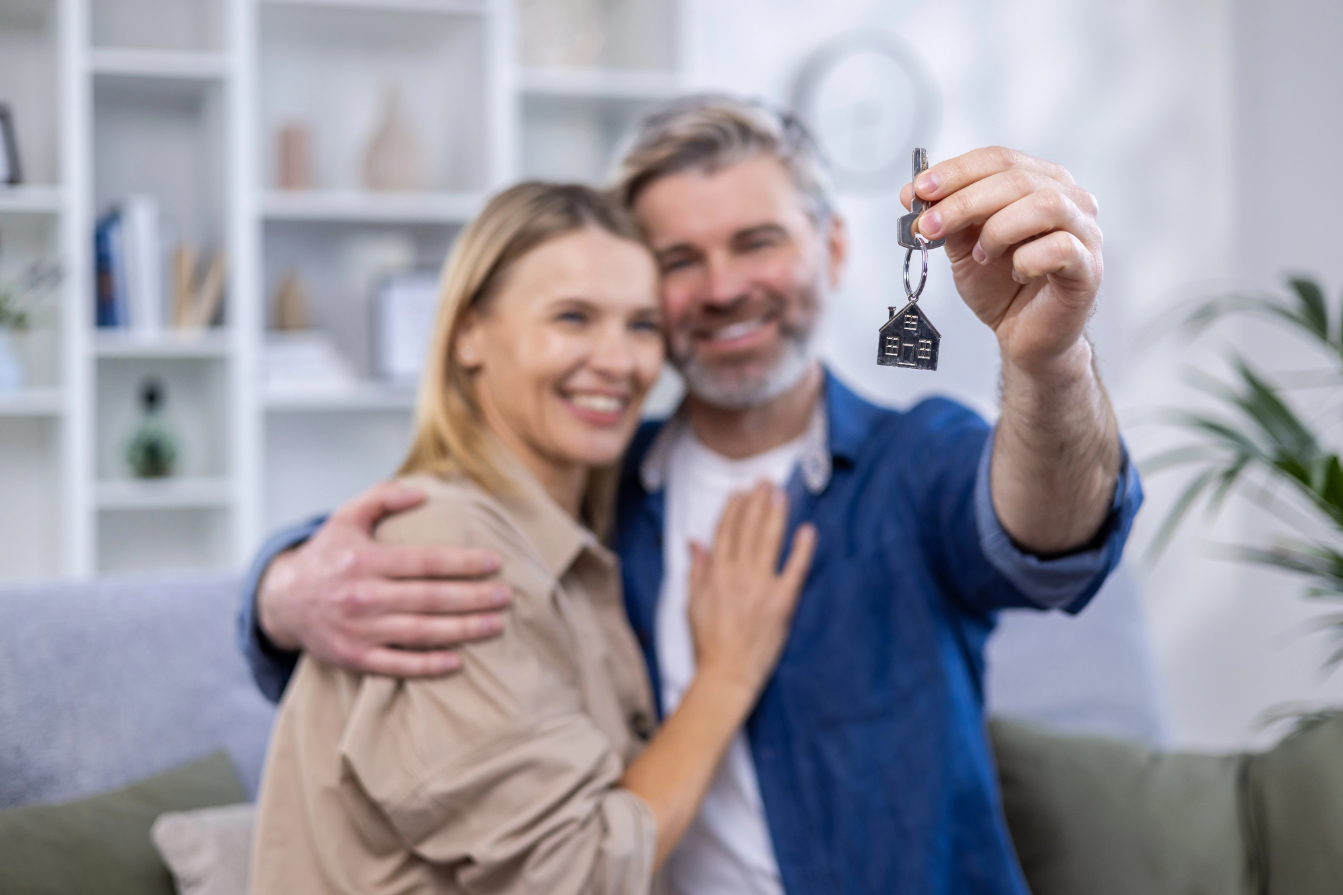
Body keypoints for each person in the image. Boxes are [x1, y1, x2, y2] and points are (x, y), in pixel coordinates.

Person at [240, 96, 1143, 894]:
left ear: (830, 249)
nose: (721, 288)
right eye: (678, 261)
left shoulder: (916, 460)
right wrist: (280, 588)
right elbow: (426, 531)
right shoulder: (599, 485)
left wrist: (1050, 363)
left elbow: (1053, 542)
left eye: (756, 242)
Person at [250, 182, 817, 894]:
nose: (618, 361)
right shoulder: (450, 541)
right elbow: (577, 875)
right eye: (572, 317)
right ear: (467, 333)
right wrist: (725, 675)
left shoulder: (568, 536)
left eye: (641, 326)